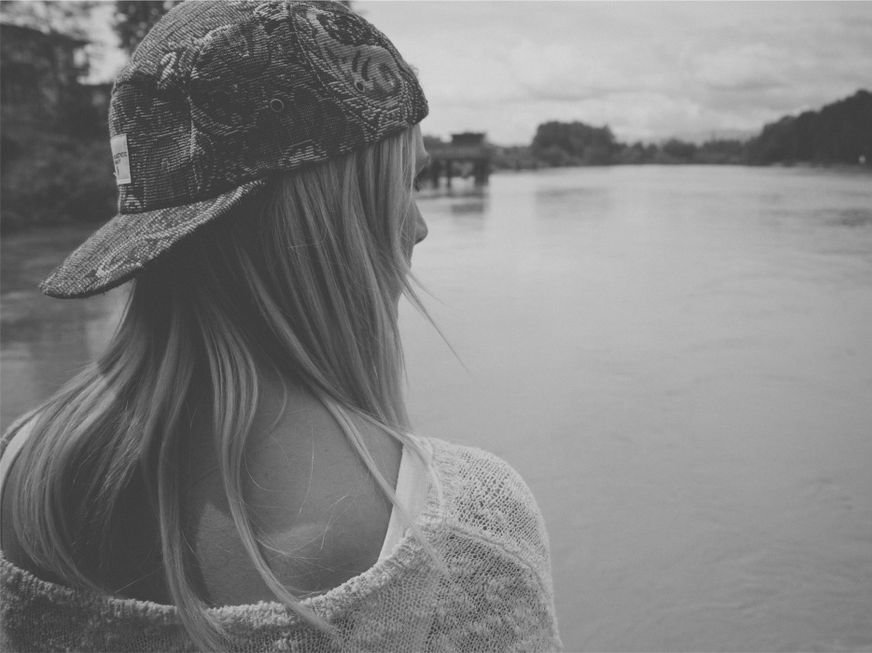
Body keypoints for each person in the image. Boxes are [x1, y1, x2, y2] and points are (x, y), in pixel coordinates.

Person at [0, 1, 561, 650]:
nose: (418, 225)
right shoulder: (464, 532)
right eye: (405, 185)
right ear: (334, 221)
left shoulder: (20, 469)